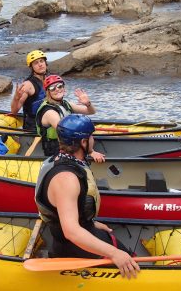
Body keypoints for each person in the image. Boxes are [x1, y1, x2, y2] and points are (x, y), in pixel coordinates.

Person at [35, 114, 140, 279]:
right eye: (91, 136)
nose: (94, 139)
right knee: (127, 258)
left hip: (82, 232)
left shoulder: (58, 160)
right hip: (72, 246)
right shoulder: (66, 179)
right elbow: (71, 232)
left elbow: (67, 210)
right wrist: (114, 254)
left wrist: (91, 222)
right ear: (83, 142)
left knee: (122, 250)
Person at [35, 74, 105, 161]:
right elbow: (65, 133)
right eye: (52, 88)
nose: (57, 89)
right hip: (55, 149)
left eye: (60, 86)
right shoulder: (50, 112)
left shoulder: (65, 104)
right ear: (48, 92)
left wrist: (87, 103)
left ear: (64, 89)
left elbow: (91, 111)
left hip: (68, 145)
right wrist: (90, 151)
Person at [10, 50, 48, 131]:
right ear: (31, 67)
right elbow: (14, 111)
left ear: (45, 63)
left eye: (41, 61)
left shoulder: (48, 80)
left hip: (47, 123)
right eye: (36, 63)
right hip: (33, 127)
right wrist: (16, 98)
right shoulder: (27, 85)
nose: (40, 64)